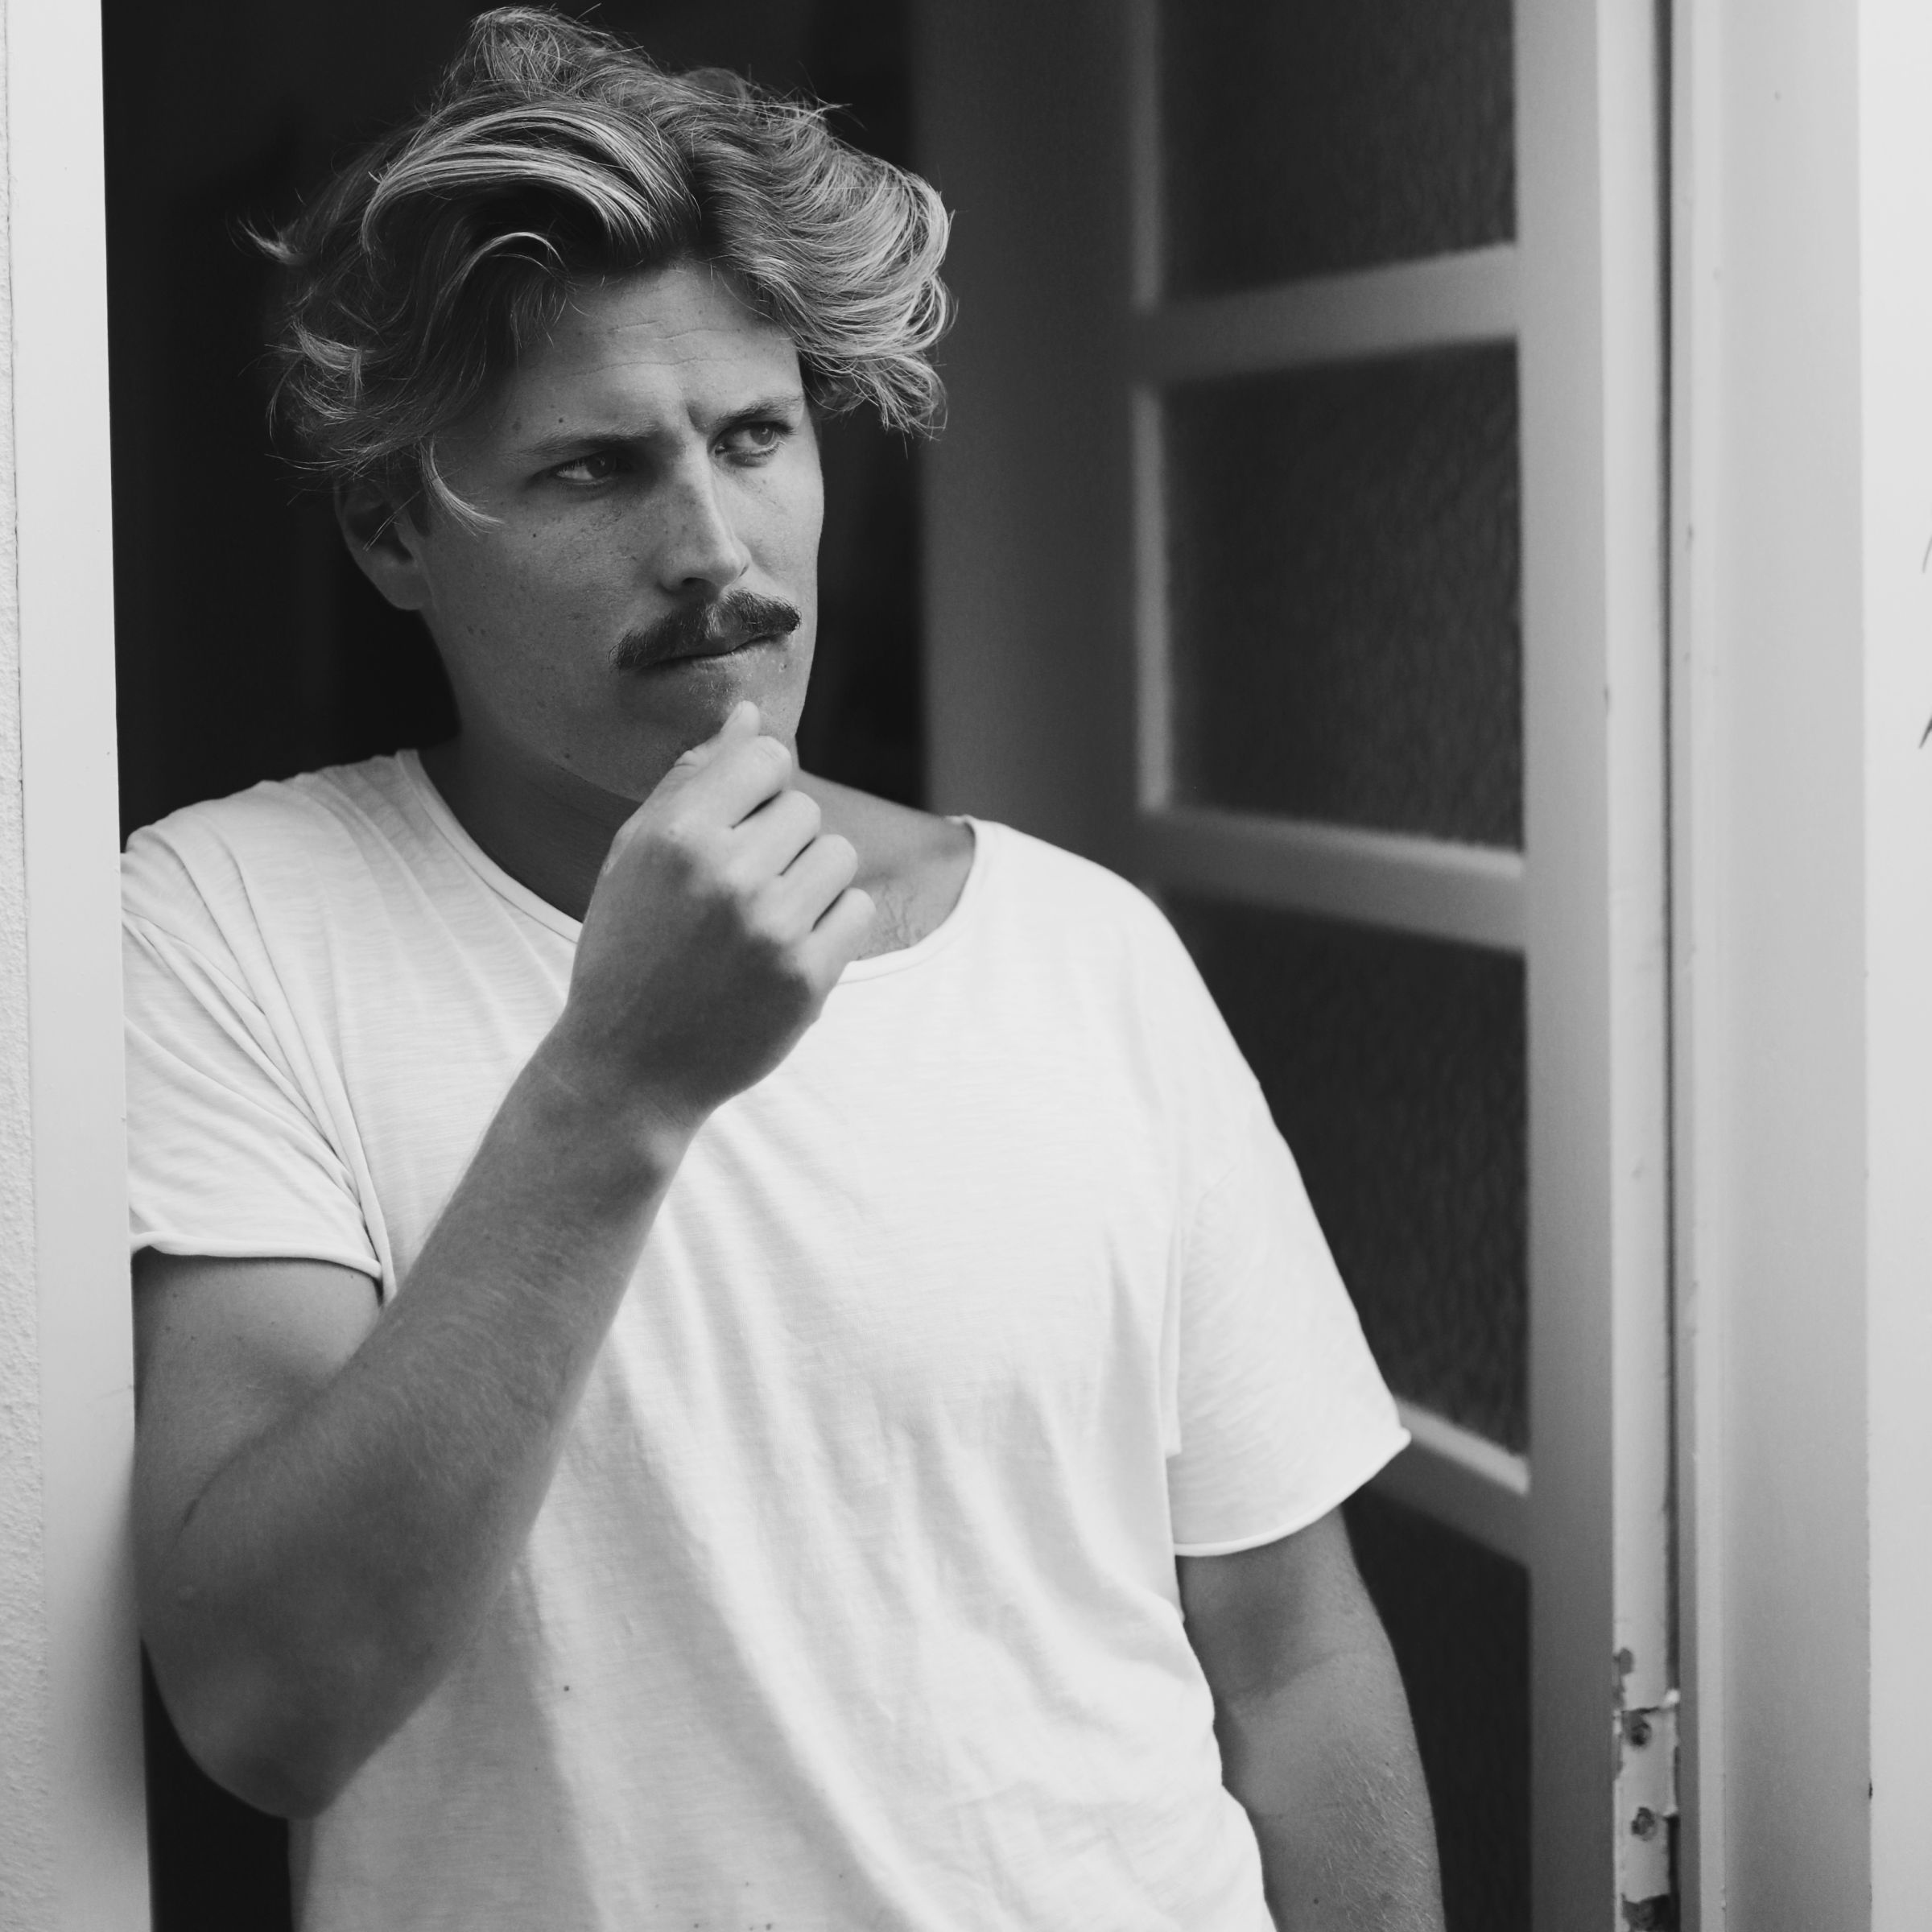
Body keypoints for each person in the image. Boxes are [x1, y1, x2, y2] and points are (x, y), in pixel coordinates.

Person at [124, 10, 1443, 1929]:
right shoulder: (229, 923)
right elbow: (266, 1705)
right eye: (593, 470)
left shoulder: (1084, 953)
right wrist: (618, 1086)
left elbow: (1297, 1663)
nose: (714, 547)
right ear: (393, 529)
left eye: (753, 438)